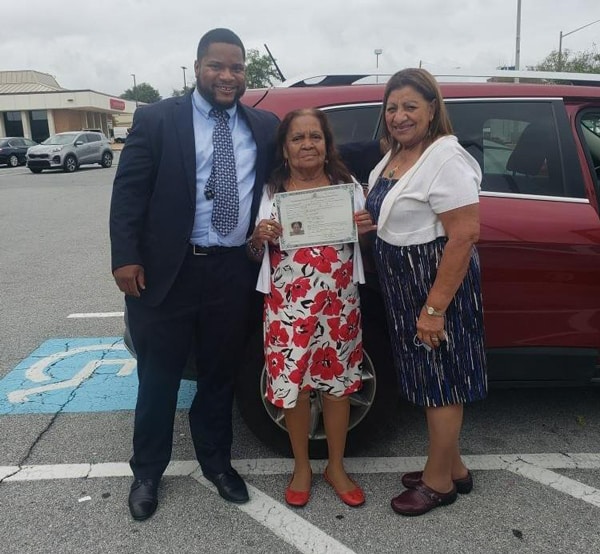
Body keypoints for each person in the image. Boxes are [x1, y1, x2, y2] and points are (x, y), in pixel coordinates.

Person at [109, 28, 279, 521]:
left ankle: (216, 462)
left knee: (219, 374)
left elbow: (303, 167)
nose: (227, 76)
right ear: (198, 66)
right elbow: (129, 194)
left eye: (237, 67)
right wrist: (125, 257)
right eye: (217, 66)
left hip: (232, 272)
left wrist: (353, 199)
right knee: (158, 376)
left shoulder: (263, 125)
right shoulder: (159, 119)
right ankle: (147, 472)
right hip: (167, 271)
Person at [364, 68, 487, 516]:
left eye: (410, 107)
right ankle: (452, 467)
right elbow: (404, 212)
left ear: (432, 109)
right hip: (405, 285)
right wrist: (373, 221)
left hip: (436, 285)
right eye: (392, 107)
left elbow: (463, 235)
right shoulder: (399, 155)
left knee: (442, 383)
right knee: (429, 376)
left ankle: (438, 484)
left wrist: (434, 308)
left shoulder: (445, 157)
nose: (399, 116)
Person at [247, 108, 376, 508]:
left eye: (315, 137)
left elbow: (365, 249)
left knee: (338, 389)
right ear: (285, 148)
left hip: (338, 307)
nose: (307, 144)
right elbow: (255, 254)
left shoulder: (347, 186)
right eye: (298, 138)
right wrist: (258, 237)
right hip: (288, 311)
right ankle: (302, 466)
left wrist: (365, 233)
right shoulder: (271, 192)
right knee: (295, 391)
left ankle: (335, 465)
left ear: (326, 144)